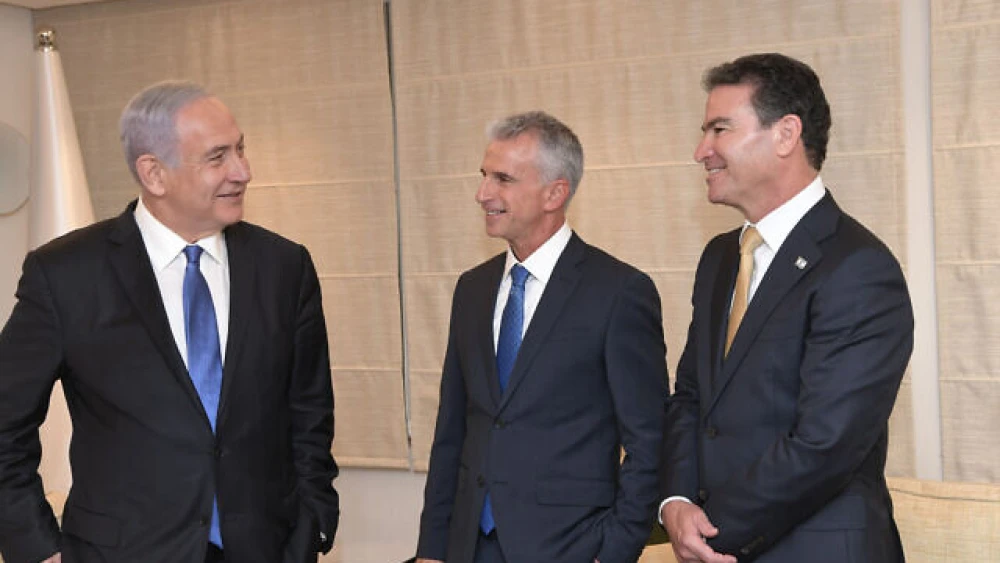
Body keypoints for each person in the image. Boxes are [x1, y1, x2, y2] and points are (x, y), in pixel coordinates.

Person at [0, 81, 339, 563]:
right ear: (154, 174)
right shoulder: (66, 274)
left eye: (240, 149)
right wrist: (37, 549)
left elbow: (309, 413)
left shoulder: (284, 267)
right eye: (218, 157)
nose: (243, 171)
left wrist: (314, 519)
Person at [658, 53, 913, 562]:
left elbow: (825, 445)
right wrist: (675, 502)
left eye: (719, 129)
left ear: (786, 134)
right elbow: (691, 396)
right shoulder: (720, 258)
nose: (701, 151)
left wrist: (710, 530)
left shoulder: (857, 267)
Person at [414, 111, 668, 563]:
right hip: (468, 546)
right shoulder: (472, 289)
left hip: (570, 547)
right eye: (483, 176)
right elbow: (452, 430)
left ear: (555, 193)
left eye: (503, 179)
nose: (482, 193)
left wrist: (615, 549)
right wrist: (432, 549)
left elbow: (649, 442)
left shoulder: (618, 292)